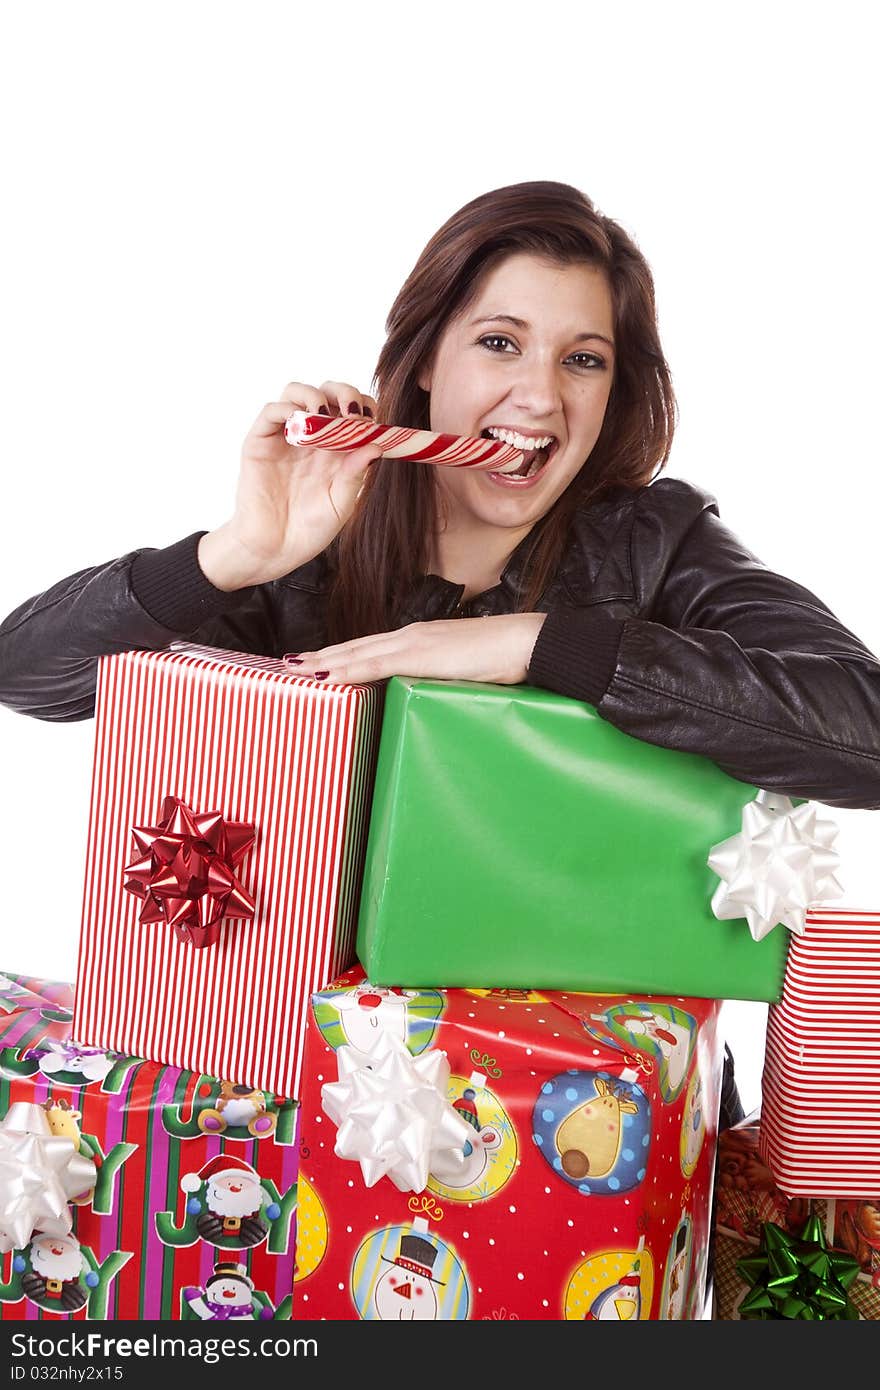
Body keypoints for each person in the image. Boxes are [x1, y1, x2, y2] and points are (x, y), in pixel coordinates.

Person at [2, 181, 879, 1125]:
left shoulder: (655, 544)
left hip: (597, 1110)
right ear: (424, 364)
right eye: (499, 342)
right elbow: (27, 674)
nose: (540, 395)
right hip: (336, 1097)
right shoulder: (313, 542)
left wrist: (544, 646)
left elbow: (864, 728)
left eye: (583, 359)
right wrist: (233, 558)